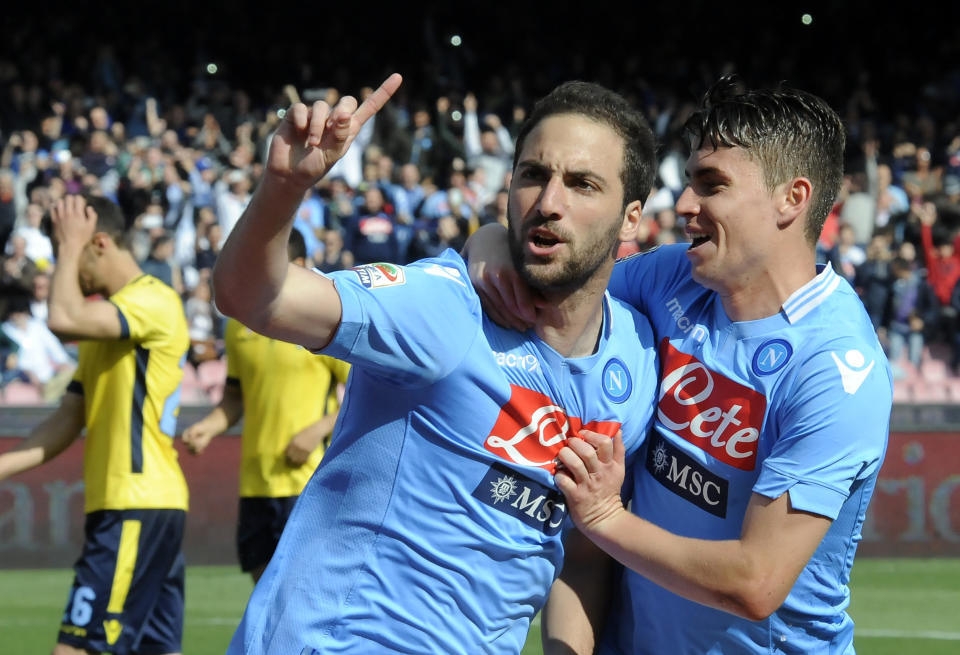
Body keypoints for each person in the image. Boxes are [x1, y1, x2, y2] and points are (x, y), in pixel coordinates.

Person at [212, 73, 661, 654]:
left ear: (631, 218)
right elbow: (253, 296)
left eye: (582, 184)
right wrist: (282, 188)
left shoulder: (637, 362)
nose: (549, 203)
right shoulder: (443, 304)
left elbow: (580, 551)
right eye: (532, 175)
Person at [466, 77, 892, 654]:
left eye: (711, 186)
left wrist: (605, 518)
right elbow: (562, 281)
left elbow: (755, 582)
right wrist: (492, 242)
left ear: (792, 198)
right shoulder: (673, 275)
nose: (685, 205)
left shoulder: (839, 371)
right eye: (689, 181)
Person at [0, 194, 190, 655]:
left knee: (76, 649)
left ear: (99, 243)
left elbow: (62, 318)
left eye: (71, 253)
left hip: (136, 504)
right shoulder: (105, 322)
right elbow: (67, 420)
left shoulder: (152, 300)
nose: (68, 272)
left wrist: (69, 245)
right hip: (139, 507)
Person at [181, 229, 350, 582]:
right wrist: (209, 427)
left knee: (303, 591)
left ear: (302, 266)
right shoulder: (238, 327)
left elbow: (370, 394)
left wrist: (317, 430)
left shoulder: (322, 324)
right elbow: (234, 398)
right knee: (262, 594)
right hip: (255, 481)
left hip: (307, 480)